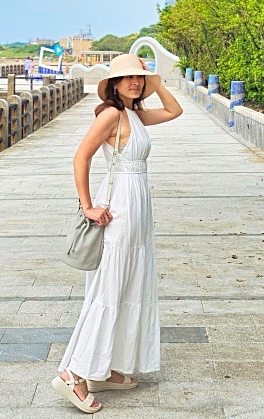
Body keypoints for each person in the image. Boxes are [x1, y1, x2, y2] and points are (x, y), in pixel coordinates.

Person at [52, 53, 184, 413]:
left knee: (130, 288)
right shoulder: (111, 114)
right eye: (127, 78)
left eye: (138, 78)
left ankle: (104, 367)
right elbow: (82, 157)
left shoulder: (133, 115)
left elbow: (174, 111)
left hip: (139, 213)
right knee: (109, 292)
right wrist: (88, 205)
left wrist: (153, 81)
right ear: (112, 84)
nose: (135, 83)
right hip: (120, 212)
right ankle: (73, 374)